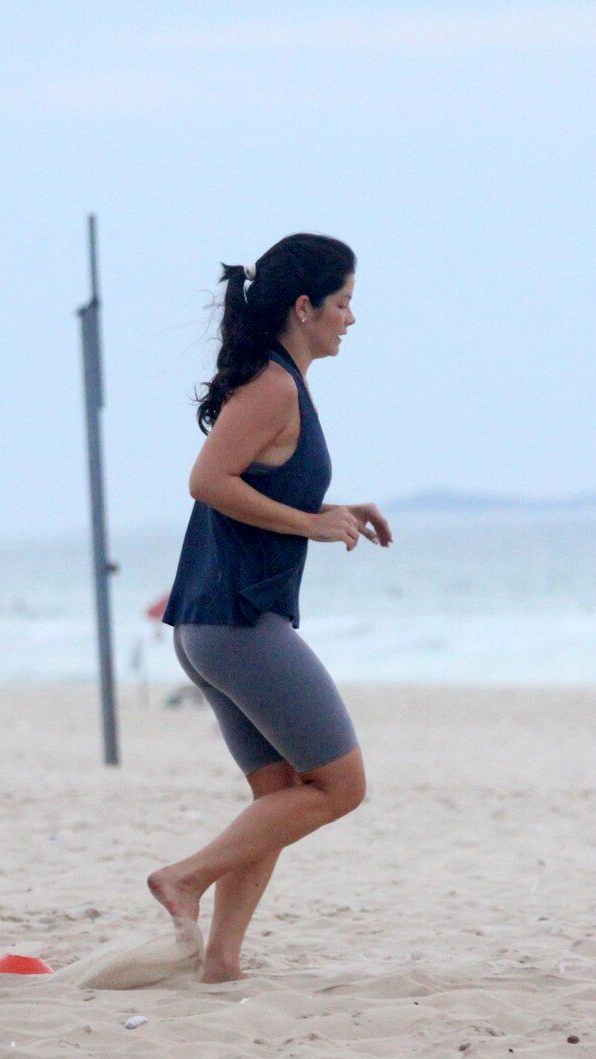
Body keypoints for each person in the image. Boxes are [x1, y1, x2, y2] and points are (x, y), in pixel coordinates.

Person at [147, 235, 390, 984]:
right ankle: (184, 877)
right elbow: (208, 481)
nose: (352, 318)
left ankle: (221, 962)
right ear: (304, 307)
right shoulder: (274, 386)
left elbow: (257, 488)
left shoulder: (282, 383)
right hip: (238, 623)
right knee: (341, 786)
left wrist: (331, 509)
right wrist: (313, 524)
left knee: (280, 793)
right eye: (344, 302)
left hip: (214, 623)